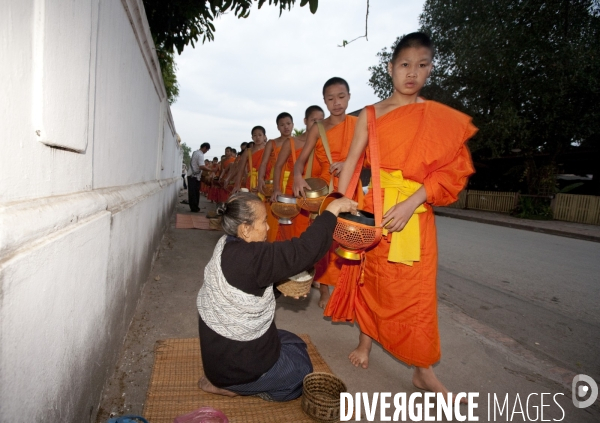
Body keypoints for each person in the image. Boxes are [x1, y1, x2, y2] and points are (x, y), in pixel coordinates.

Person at [335, 32, 476, 401]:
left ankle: (422, 371)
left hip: (414, 213)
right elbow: (352, 162)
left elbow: (451, 173)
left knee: (416, 296)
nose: (412, 73)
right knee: (371, 280)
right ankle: (365, 344)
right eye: (404, 64)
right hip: (374, 209)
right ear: (390, 68)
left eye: (422, 65)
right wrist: (337, 203)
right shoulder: (369, 114)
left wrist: (412, 202)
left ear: (430, 69)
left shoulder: (438, 119)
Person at [197, 192, 358, 401]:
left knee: (293, 342)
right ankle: (236, 388)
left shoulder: (227, 246)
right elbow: (304, 250)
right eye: (263, 222)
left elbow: (249, 289)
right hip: (233, 372)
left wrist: (280, 288)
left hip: (218, 361)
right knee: (301, 371)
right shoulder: (254, 257)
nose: (268, 227)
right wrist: (332, 210)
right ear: (245, 229)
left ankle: (227, 381)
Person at [292, 78, 362, 308]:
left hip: (351, 187)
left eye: (341, 97)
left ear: (349, 96)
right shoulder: (318, 128)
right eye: (330, 99)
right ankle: (324, 288)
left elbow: (368, 157)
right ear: (324, 101)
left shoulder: (359, 123)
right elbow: (300, 161)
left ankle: (351, 289)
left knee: (352, 239)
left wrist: (349, 163)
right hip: (324, 190)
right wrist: (298, 177)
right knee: (326, 239)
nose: (337, 103)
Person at [271, 105, 325, 241]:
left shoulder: (324, 143)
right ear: (305, 121)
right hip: (294, 192)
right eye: (314, 120)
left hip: (316, 192)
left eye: (321, 120)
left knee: (314, 233)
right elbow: (278, 166)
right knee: (293, 234)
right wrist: (276, 189)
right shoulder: (292, 142)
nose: (318, 124)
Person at [188, 143, 211, 212]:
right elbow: (201, 166)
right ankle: (195, 208)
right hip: (194, 176)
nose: (206, 152)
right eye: (206, 150)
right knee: (195, 193)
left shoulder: (195, 152)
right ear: (205, 148)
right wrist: (211, 170)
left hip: (191, 175)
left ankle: (193, 207)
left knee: (192, 193)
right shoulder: (200, 154)